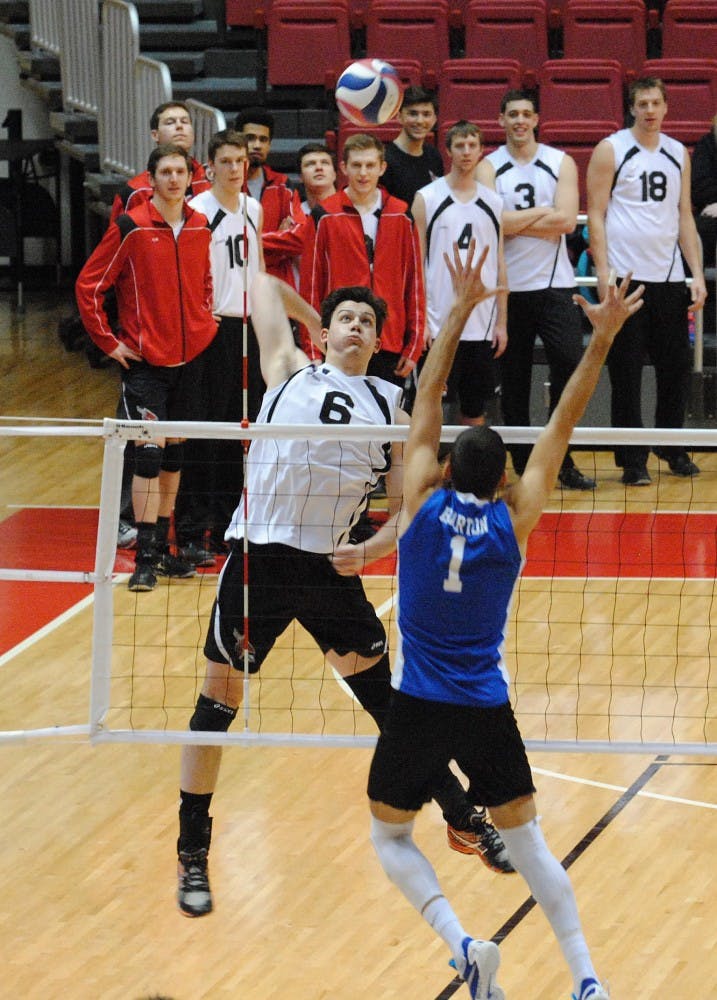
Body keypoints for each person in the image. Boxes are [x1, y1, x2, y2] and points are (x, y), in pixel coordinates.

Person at [175, 272, 511, 919]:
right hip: (260, 562)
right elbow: (264, 285)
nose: (355, 327)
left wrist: (373, 550)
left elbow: (408, 504)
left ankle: (462, 817)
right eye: (345, 320)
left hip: (331, 568)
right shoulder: (287, 368)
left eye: (366, 321)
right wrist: (315, 318)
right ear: (325, 335)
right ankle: (193, 850)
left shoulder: (389, 403)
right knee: (218, 703)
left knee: (393, 704)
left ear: (378, 341)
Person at [367, 240, 643, 1000]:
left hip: (419, 705)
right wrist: (604, 336)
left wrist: (456, 311)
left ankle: (462, 946)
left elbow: (426, 392)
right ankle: (586, 979)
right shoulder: (514, 521)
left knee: (389, 833)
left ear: (447, 468)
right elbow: (562, 418)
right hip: (484, 706)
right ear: (504, 480)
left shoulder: (418, 498)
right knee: (528, 845)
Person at [75, 144, 217, 592]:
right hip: (146, 365)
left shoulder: (200, 225)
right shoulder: (130, 227)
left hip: (191, 361)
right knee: (149, 459)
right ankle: (146, 555)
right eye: (165, 172)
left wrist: (204, 319)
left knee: (175, 455)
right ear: (151, 180)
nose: (174, 179)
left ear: (190, 180)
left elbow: (205, 281)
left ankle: (165, 549)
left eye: (181, 172)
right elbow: (89, 285)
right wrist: (110, 343)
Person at [587, 76, 707, 485]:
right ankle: (632, 460)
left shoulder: (678, 153)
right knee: (627, 372)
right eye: (643, 103)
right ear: (632, 107)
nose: (650, 110)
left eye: (656, 103)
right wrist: (603, 274)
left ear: (666, 107)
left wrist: (695, 274)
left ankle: (672, 447)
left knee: (674, 369)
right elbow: (596, 216)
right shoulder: (612, 149)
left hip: (670, 278)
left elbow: (685, 216)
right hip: (626, 281)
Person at [478, 91, 597, 490]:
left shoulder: (559, 161)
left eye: (527, 114)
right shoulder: (488, 166)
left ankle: (559, 455)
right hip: (508, 288)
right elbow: (489, 222)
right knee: (514, 380)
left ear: (537, 119)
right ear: (501, 120)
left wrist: (512, 221)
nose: (520, 120)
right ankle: (523, 461)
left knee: (569, 361)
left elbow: (566, 222)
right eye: (512, 114)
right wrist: (539, 216)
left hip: (555, 284)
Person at [174, 129, 265, 566]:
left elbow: (258, 270)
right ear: (209, 167)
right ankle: (191, 527)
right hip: (209, 330)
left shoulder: (254, 209)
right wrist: (196, 313)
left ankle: (228, 524)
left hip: (245, 330)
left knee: (237, 431)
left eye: (240, 162)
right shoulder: (196, 211)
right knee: (204, 429)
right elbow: (187, 271)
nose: (234, 169)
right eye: (226, 162)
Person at [302, 133, 425, 390]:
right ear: (344, 168)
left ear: (382, 167)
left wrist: (414, 345)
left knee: (386, 424)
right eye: (356, 165)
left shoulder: (401, 214)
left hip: (390, 341)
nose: (363, 173)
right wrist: (312, 347)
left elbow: (415, 284)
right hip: (339, 341)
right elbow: (311, 286)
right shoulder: (324, 214)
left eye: (370, 165)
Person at [413, 120, 507, 426]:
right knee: (431, 407)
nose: (466, 152)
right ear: (449, 150)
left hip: (481, 324)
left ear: (481, 151)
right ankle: (426, 472)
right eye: (459, 146)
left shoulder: (494, 202)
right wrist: (421, 321)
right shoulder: (427, 198)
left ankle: (469, 473)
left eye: (472, 146)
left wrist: (502, 322)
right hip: (438, 323)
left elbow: (500, 262)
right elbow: (416, 263)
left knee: (474, 408)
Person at [109, 101, 210, 223]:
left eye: (184, 121)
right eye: (170, 122)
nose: (179, 126)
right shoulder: (136, 191)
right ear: (155, 135)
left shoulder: (212, 181)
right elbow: (121, 238)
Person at [381, 85, 444, 206]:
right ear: (399, 116)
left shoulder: (434, 156)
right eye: (413, 114)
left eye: (426, 114)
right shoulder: (385, 160)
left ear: (435, 119)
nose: (420, 121)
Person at [691, 112, 717, 270]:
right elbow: (699, 189)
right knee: (691, 232)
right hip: (710, 216)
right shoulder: (707, 144)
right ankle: (694, 290)